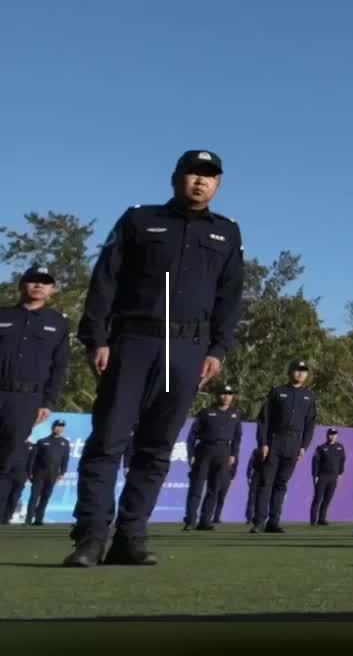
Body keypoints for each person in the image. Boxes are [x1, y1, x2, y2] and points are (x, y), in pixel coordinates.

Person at [67, 151, 243, 568]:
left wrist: (218, 349)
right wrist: (98, 338)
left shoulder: (227, 233)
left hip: (184, 352)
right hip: (134, 343)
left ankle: (131, 535)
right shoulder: (140, 220)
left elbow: (230, 296)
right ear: (175, 177)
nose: (200, 182)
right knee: (108, 440)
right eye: (193, 174)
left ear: (218, 185)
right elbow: (105, 280)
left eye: (210, 176)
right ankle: (90, 538)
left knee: (156, 445)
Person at [1, 264, 69, 519]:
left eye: (44, 281)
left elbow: (59, 366)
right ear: (22, 285)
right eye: (33, 280)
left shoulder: (58, 324)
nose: (38, 285)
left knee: (8, 458)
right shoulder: (3, 315)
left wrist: (48, 401)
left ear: (52, 289)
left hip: (26, 399)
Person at [249, 360, 318, 534]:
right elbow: (264, 420)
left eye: (303, 371)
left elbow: (310, 424)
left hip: (294, 445)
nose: (300, 374)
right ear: (290, 372)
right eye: (297, 370)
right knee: (266, 483)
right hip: (274, 442)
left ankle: (274, 522)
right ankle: (258, 522)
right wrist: (263, 443)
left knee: (281, 484)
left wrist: (304, 446)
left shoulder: (309, 396)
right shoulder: (277, 392)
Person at [182, 384, 244, 531]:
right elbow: (192, 436)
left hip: (223, 452)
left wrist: (234, 454)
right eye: (223, 393)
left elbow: (237, 437)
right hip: (204, 450)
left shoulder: (235, 414)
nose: (226, 396)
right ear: (217, 395)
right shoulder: (206, 412)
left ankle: (205, 521)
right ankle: (190, 520)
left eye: (229, 393)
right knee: (196, 486)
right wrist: (191, 454)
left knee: (214, 488)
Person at [26, 419, 71, 526]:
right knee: (34, 496)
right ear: (53, 427)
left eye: (61, 426)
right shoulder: (42, 441)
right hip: (39, 474)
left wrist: (62, 473)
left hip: (52, 475)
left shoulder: (65, 443)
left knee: (45, 497)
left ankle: (38, 519)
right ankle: (28, 519)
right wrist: (29, 472)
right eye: (57, 426)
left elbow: (65, 459)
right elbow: (32, 459)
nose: (59, 428)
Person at [310, 429, 347, 526]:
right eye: (331, 434)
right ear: (327, 435)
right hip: (322, 476)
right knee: (318, 498)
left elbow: (342, 461)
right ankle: (313, 521)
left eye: (334, 434)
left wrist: (340, 474)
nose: (332, 436)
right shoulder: (321, 448)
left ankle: (322, 519)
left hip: (333, 477)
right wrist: (315, 475)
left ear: (337, 435)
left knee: (328, 499)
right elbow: (315, 462)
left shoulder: (340, 447)